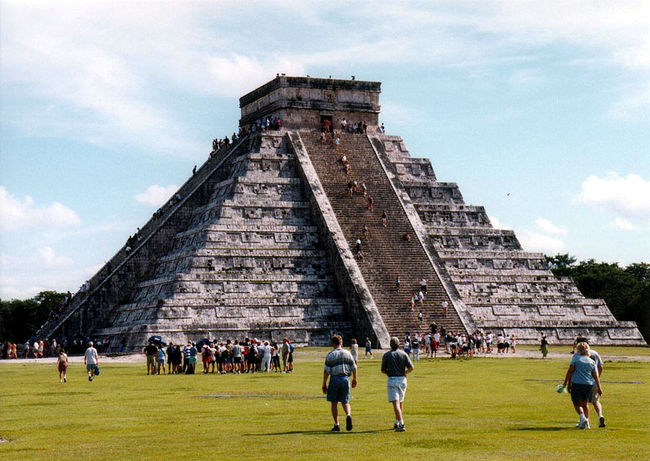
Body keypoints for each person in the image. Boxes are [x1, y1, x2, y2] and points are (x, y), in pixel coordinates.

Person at [563, 342, 602, 429]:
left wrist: (566, 383)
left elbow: (570, 371)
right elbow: (596, 376)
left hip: (577, 384)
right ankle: (586, 424)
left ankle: (583, 418)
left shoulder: (576, 359)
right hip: (588, 385)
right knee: (585, 404)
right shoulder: (592, 362)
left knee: (577, 403)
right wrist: (599, 388)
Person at [322, 335, 357, 432]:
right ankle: (348, 415)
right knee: (345, 401)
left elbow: (326, 371)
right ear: (341, 343)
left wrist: (324, 384)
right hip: (345, 378)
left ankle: (336, 424)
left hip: (335, 379)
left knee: (334, 402)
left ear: (333, 343)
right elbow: (354, 367)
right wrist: (355, 379)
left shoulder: (330, 355)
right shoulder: (347, 353)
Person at [381, 337, 414, 432]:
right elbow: (411, 367)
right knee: (400, 402)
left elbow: (383, 370)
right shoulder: (403, 354)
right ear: (399, 344)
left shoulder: (387, 355)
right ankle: (397, 421)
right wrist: (405, 373)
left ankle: (401, 423)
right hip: (402, 379)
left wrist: (388, 372)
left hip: (392, 379)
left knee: (395, 403)